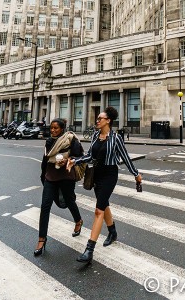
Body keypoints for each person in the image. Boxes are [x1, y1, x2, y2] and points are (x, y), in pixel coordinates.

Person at [67, 106, 142, 264]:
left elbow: (126, 158)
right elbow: (88, 156)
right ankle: (112, 232)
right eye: (98, 118)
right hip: (97, 174)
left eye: (100, 118)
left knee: (98, 210)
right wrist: (74, 161)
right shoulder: (95, 135)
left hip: (109, 175)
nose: (97, 120)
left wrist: (136, 174)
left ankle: (89, 250)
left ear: (108, 120)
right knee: (104, 203)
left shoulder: (116, 138)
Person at [34, 118, 84, 257]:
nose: (53, 130)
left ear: (62, 129)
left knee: (69, 201)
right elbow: (45, 158)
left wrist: (67, 160)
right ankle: (41, 239)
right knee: (45, 206)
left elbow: (78, 155)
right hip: (51, 176)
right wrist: (43, 175)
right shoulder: (49, 141)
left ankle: (78, 220)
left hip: (66, 176)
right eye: (51, 128)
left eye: (56, 128)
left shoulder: (70, 139)